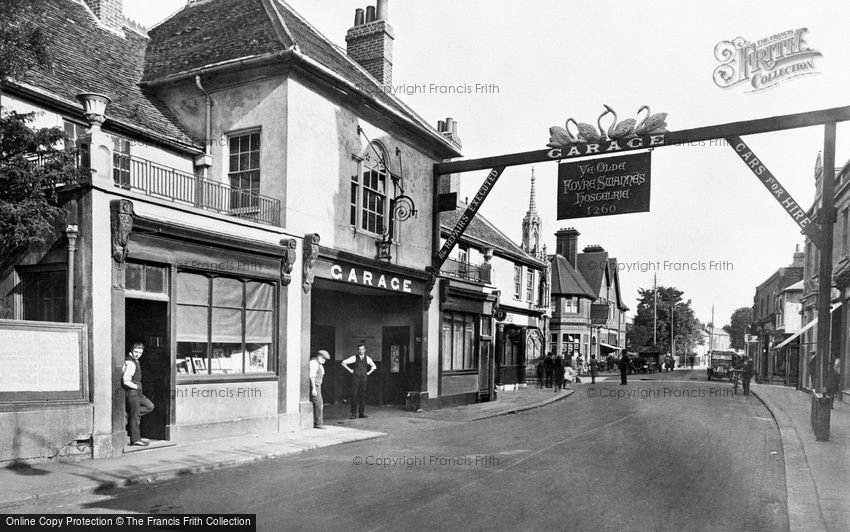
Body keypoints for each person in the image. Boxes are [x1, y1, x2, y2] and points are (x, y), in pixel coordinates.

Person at [123, 342, 154, 447]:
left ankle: (129, 415)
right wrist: (136, 387)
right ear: (131, 350)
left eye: (140, 352)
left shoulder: (135, 361)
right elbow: (126, 380)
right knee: (135, 417)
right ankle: (135, 439)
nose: (138, 354)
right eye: (136, 351)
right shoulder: (130, 363)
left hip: (137, 393)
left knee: (149, 406)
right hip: (132, 392)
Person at [341, 344, 376, 419]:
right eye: (360, 349)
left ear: (365, 350)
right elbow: (343, 363)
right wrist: (350, 370)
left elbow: (374, 366)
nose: (361, 351)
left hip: (364, 378)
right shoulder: (354, 357)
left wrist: (368, 373)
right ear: (358, 350)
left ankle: (361, 413)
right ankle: (353, 414)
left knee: (362, 395)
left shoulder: (368, 358)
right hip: (355, 378)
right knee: (354, 395)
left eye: (362, 349)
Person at [309, 350, 330, 429]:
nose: (324, 360)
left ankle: (318, 422)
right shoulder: (314, 363)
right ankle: (318, 423)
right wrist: (314, 388)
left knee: (320, 404)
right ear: (319, 356)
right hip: (315, 386)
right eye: (323, 358)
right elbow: (312, 376)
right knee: (318, 404)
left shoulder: (320, 364)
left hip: (318, 386)